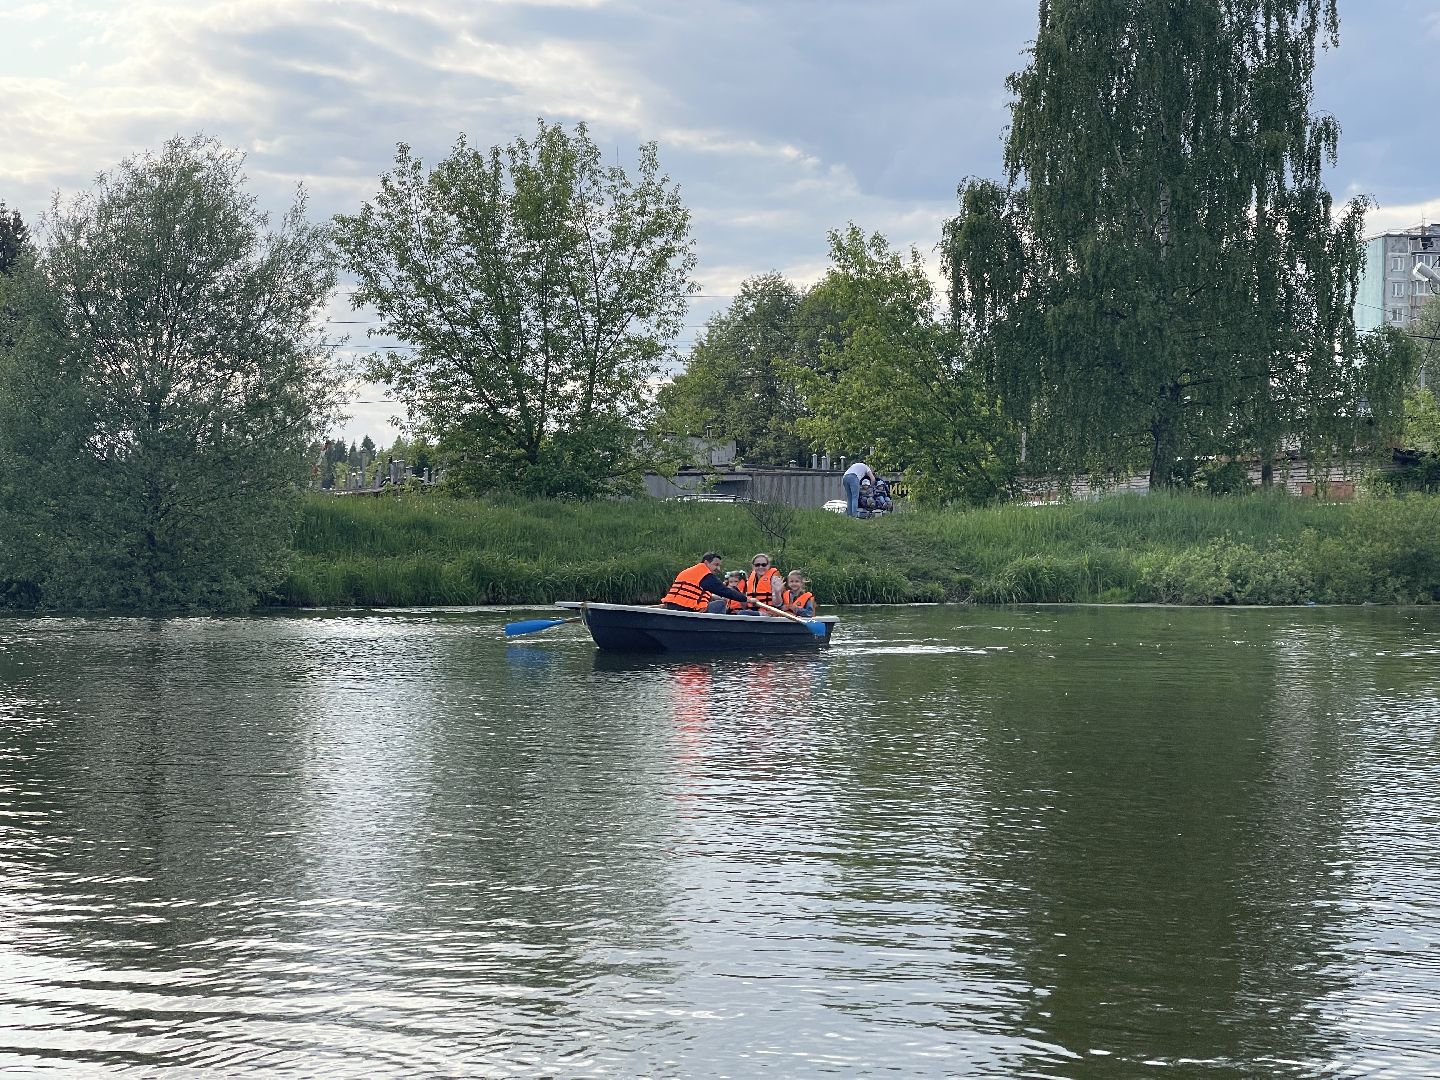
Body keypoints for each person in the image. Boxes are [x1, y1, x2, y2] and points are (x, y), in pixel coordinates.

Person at [662, 552, 753, 613]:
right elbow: (724, 590)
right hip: (685, 610)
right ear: (706, 562)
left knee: (719, 601)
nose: (718, 569)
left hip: (673, 606)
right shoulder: (704, 574)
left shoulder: (691, 571)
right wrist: (746, 599)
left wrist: (712, 597)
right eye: (716, 565)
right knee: (721, 604)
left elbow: (696, 592)